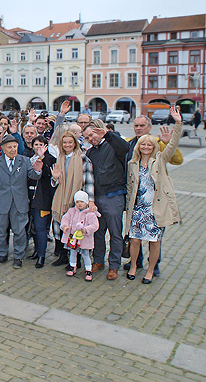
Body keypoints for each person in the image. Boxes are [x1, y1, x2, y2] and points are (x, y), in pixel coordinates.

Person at [125, 105, 183, 284]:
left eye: (149, 144)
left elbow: (173, 148)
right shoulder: (133, 163)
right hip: (138, 209)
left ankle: (151, 270)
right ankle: (134, 266)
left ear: (154, 146)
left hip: (155, 209)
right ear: (138, 146)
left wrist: (178, 123)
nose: (146, 146)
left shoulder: (159, 160)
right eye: (143, 144)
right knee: (134, 241)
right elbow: (129, 187)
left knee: (154, 241)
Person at [83, 120, 130, 280]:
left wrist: (108, 135)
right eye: (87, 137)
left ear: (99, 131)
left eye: (92, 135)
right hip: (97, 198)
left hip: (114, 195)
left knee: (115, 233)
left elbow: (126, 149)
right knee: (97, 231)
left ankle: (114, 265)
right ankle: (98, 260)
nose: (90, 139)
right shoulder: (90, 153)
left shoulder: (113, 143)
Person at [0, 134, 43, 268]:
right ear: (3, 149)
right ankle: (2, 254)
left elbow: (33, 176)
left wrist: (38, 170)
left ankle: (18, 257)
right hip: (1, 203)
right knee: (0, 230)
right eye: (10, 147)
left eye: (15, 147)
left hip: (19, 203)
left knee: (19, 231)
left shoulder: (24, 161)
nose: (13, 149)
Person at [50, 131, 95, 268]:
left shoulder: (83, 159)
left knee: (76, 228)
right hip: (61, 198)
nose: (67, 145)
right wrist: (55, 178)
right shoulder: (59, 158)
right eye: (65, 142)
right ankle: (63, 255)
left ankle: (77, 259)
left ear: (75, 143)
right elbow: (54, 183)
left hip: (77, 200)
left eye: (70, 142)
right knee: (62, 225)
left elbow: (88, 180)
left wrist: (90, 200)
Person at [28, 135, 57, 268]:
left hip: (43, 199)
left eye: (41, 144)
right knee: (33, 227)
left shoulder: (51, 159)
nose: (38, 147)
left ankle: (42, 256)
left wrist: (42, 158)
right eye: (36, 145)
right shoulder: (29, 159)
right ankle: (36, 250)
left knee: (40, 228)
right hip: (29, 197)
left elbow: (47, 174)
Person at [61, 191, 99, 281]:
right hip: (73, 238)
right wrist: (64, 226)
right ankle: (72, 266)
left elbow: (95, 225)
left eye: (82, 202)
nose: (79, 204)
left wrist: (86, 229)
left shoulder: (90, 214)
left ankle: (88, 270)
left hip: (84, 238)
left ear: (86, 202)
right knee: (72, 252)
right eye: (77, 202)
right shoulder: (72, 211)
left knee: (86, 254)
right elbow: (65, 218)